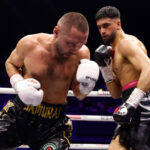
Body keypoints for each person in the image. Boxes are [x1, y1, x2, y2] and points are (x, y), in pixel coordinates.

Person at [1, 12, 100, 150]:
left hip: (53, 124)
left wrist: (86, 87)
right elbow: (11, 63)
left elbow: (79, 94)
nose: (75, 49)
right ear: (56, 31)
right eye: (70, 43)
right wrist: (19, 84)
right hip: (20, 113)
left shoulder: (83, 53)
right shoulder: (29, 44)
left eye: (80, 44)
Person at [94, 6, 150, 150]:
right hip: (130, 107)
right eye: (99, 27)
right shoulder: (113, 54)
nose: (102, 31)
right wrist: (104, 67)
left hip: (143, 107)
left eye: (106, 25)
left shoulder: (127, 43)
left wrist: (132, 102)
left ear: (118, 24)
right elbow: (115, 93)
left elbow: (149, 68)